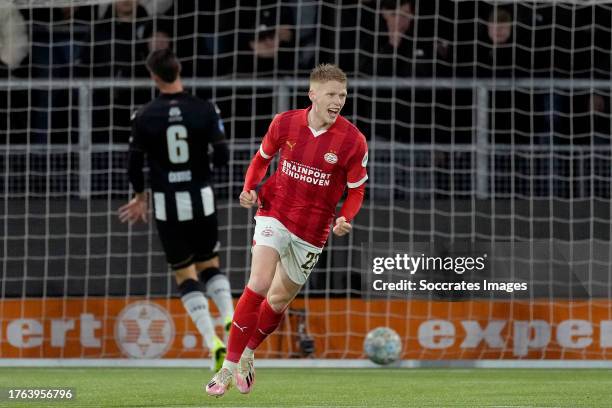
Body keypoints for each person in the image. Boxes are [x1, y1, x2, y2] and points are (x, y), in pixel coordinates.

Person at [206, 64, 368, 397]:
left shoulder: (353, 141)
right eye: (331, 94)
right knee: (259, 283)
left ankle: (249, 352)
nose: (338, 100)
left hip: (313, 230)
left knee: (278, 301)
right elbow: (261, 158)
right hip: (274, 211)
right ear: (313, 94)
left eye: (343, 94)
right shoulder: (285, 122)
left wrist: (345, 217)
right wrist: (249, 187)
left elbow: (356, 190)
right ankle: (226, 369)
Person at [118, 49, 234, 371]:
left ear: (154, 76)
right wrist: (202, 170)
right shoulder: (205, 109)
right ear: (179, 69)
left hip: (168, 204)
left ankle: (213, 342)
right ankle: (230, 318)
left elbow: (133, 164)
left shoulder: (143, 116)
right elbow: (223, 155)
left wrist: (140, 196)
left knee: (185, 273)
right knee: (210, 265)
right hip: (201, 197)